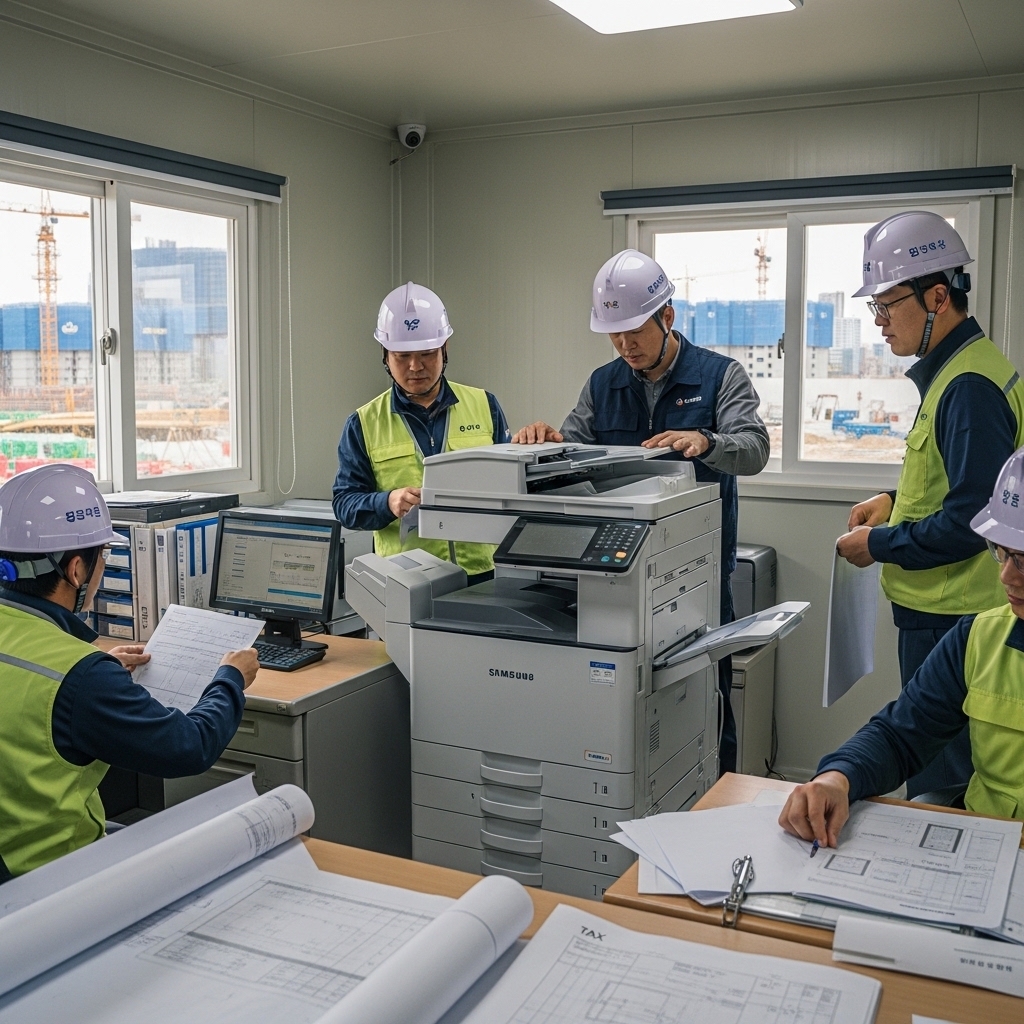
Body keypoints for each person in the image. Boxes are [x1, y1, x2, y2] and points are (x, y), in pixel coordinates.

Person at [513, 249, 770, 774]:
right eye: (614, 334)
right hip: (615, 575)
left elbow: (755, 447)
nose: (625, 345)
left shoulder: (720, 375)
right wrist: (546, 443)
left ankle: (716, 795)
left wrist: (706, 440)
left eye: (634, 331)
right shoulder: (602, 383)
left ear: (667, 317)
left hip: (693, 580)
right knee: (622, 703)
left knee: (705, 698)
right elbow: (574, 452)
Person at [835, 211, 1024, 798]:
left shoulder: (968, 387)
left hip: (954, 614)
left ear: (938, 297)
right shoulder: (958, 373)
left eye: (887, 306)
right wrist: (893, 501)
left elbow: (973, 521)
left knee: (943, 792)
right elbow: (961, 484)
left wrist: (880, 544)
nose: (880, 323)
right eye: (876, 308)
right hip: (939, 611)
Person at [0, 464, 258, 881]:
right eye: (103, 557)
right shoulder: (79, 675)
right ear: (77, 570)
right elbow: (188, 747)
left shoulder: (74, 670)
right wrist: (230, 678)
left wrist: (94, 673)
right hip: (49, 877)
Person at [779, 447, 1024, 843]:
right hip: (989, 849)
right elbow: (900, 735)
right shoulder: (979, 638)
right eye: (1002, 553)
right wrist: (837, 777)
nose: (1007, 577)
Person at [333, 281, 511, 583]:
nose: (415, 366)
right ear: (386, 355)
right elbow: (345, 504)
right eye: (402, 356)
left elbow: (514, 487)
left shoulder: (485, 405)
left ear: (444, 349)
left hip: (484, 574)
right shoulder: (363, 422)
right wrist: (387, 502)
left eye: (427, 353)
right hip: (404, 580)